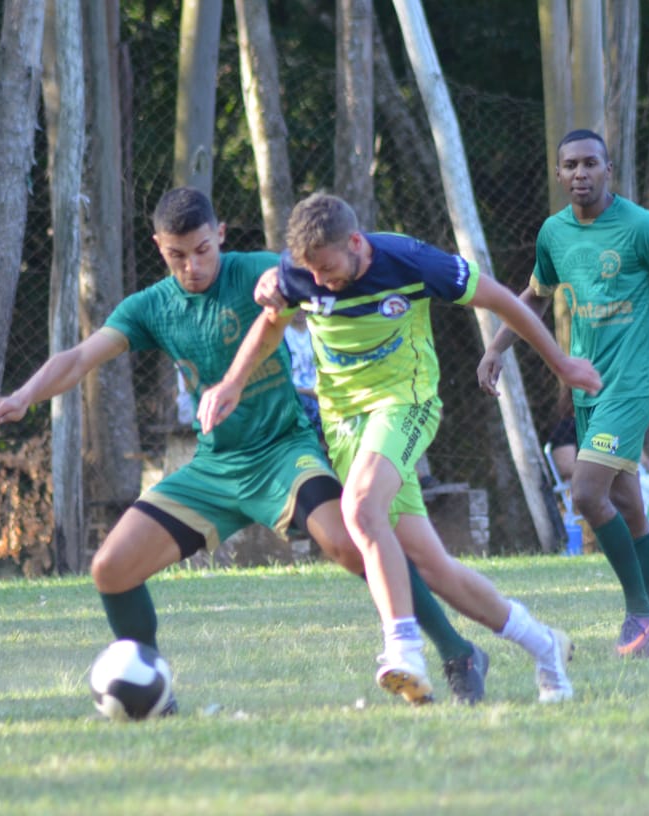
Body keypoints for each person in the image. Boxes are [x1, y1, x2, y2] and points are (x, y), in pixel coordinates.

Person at [0, 188, 494, 709]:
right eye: (177, 255)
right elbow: (82, 356)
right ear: (158, 247)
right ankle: (152, 688)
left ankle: (458, 653)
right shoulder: (151, 307)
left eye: (202, 249)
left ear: (219, 235)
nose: (193, 265)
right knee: (110, 568)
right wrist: (24, 395)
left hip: (287, 451)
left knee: (354, 544)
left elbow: (326, 267)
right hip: (215, 467)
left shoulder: (256, 272)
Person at [202, 191, 602, 705]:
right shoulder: (300, 272)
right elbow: (272, 322)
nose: (320, 282)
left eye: (327, 269)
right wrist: (233, 382)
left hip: (405, 403)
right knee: (434, 567)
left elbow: (502, 299)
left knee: (360, 509)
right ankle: (544, 644)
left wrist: (561, 363)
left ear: (354, 242)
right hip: (346, 425)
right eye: (311, 274)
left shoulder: (411, 262)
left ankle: (403, 650)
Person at [477, 129, 649, 659]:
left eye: (590, 163)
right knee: (628, 508)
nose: (580, 174)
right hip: (589, 392)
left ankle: (640, 612)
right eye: (569, 165)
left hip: (633, 385)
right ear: (560, 173)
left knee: (586, 494)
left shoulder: (641, 228)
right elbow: (534, 297)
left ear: (608, 169)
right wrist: (498, 346)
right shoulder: (554, 234)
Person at [283, 309, 322, 434]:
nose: (299, 310)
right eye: (295, 306)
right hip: (297, 394)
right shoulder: (282, 335)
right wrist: (310, 392)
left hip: (322, 390)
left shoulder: (317, 330)